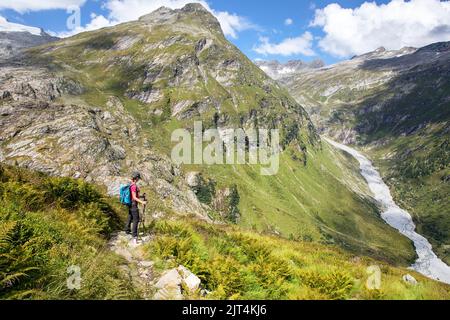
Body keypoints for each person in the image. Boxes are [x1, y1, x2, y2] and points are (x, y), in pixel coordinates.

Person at [125, 171, 147, 243]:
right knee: (136, 220)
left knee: (130, 217)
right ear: (136, 178)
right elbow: (134, 197)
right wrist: (142, 202)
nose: (138, 179)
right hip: (134, 204)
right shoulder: (134, 186)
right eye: (138, 178)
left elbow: (133, 196)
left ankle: (127, 230)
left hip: (130, 204)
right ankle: (134, 237)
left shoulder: (131, 185)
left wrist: (141, 196)